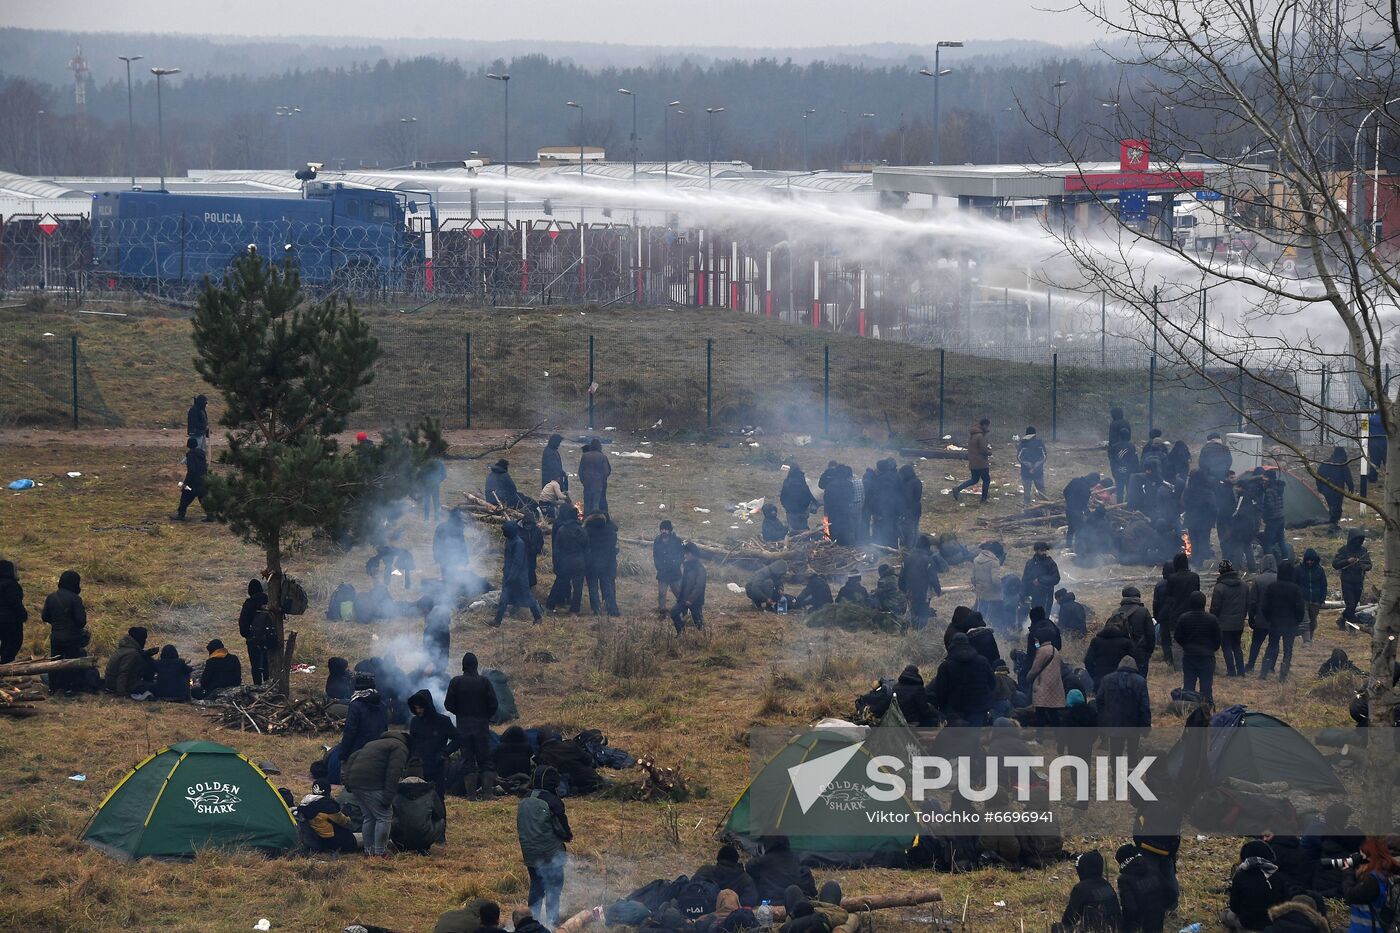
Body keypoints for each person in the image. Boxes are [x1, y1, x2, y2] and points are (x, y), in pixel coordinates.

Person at [518, 765, 573, 927]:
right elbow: (563, 830)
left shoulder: (525, 798)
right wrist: (568, 836)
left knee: (536, 885)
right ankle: (552, 922)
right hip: (550, 853)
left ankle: (531, 923)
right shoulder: (553, 801)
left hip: (529, 851)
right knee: (553, 887)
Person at [343, 730, 410, 856]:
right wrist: (388, 797)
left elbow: (353, 756)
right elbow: (393, 773)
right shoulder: (400, 747)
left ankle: (368, 851)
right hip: (372, 784)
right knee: (384, 816)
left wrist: (348, 782)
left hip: (356, 783)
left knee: (369, 817)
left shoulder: (374, 743)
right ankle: (380, 853)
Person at [444, 652, 498, 799]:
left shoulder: (456, 682)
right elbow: (494, 704)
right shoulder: (484, 682)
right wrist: (486, 716)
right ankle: (487, 794)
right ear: (476, 665)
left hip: (463, 727)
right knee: (485, 759)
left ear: (463, 665)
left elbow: (448, 704)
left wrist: (460, 713)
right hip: (481, 726)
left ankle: (471, 796)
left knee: (467, 760)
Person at [42, 569, 89, 694]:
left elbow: (44, 617)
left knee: (55, 662)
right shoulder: (75, 599)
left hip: (56, 635)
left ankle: (53, 687)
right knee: (70, 661)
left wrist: (57, 623)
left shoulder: (51, 597)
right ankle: (69, 688)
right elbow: (81, 621)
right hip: (72, 636)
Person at [1097, 656, 1150, 763]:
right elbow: (1144, 706)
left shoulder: (1107, 679)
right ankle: (1131, 775)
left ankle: (1116, 776)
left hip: (1114, 721)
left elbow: (1099, 700)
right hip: (1134, 723)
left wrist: (1104, 719)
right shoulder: (1140, 681)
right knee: (1132, 752)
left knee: (1115, 751)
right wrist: (1146, 726)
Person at [933, 632, 994, 726]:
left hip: (955, 711)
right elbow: (992, 683)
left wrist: (943, 710)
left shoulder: (945, 666)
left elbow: (940, 691)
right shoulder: (983, 661)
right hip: (978, 709)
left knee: (957, 739)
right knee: (975, 738)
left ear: (952, 645)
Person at [1259, 561, 1306, 682]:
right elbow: (1300, 608)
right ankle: (1283, 675)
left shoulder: (1272, 587)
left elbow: (1265, 606)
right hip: (1290, 623)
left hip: (1275, 622)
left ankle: (1264, 672)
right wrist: (1297, 620)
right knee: (1288, 649)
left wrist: (1269, 618)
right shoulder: (1295, 589)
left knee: (1272, 646)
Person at [1342, 836, 1398, 933]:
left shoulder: (1373, 880)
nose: (1359, 860)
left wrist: (1348, 872)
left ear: (1369, 857)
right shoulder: (1382, 875)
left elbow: (1351, 895)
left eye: (1361, 856)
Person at [1228, 840, 1287, 931]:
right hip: (1273, 924)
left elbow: (1235, 907)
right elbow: (1283, 902)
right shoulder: (1278, 876)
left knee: (1227, 915)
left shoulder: (1240, 876)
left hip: (1247, 924)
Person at [1056, 850, 1121, 933]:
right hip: (1115, 929)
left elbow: (1069, 919)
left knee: (1057, 928)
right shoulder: (1106, 884)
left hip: (1093, 930)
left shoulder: (1081, 888)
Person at [407, 688, 456, 798]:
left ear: (427, 706)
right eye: (416, 708)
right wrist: (412, 758)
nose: (418, 711)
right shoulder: (415, 722)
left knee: (437, 796)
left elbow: (458, 739)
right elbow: (412, 742)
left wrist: (444, 753)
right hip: (419, 766)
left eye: (421, 708)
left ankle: (439, 816)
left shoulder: (443, 721)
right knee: (419, 797)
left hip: (436, 765)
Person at [1173, 591, 1221, 702]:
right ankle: (1207, 708)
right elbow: (1218, 638)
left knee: (1189, 685)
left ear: (1190, 603)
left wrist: (1186, 645)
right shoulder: (1212, 619)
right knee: (1206, 686)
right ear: (1204, 603)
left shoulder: (1184, 618)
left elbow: (1177, 636)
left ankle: (1188, 706)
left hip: (1190, 656)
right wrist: (1211, 649)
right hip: (1207, 656)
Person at [494, 522, 544, 626]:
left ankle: (538, 618)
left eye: (505, 531)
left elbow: (517, 563)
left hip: (519, 577)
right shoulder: (510, 540)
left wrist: (511, 578)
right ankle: (497, 621)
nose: (503, 533)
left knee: (528, 598)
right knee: (504, 598)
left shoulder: (519, 543)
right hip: (510, 575)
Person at [1115, 844, 1169, 933]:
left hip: (1139, 923)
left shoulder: (1124, 879)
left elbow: (1130, 908)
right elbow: (1169, 891)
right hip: (1158, 918)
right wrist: (1161, 909)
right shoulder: (1153, 869)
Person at [747, 836, 816, 905]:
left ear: (765, 845)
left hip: (771, 904)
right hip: (794, 903)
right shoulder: (795, 859)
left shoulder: (761, 862)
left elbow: (748, 867)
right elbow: (812, 892)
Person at [1162, 552, 1200, 671]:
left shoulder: (1172, 578)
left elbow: (1169, 597)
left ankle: (1179, 668)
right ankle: (1192, 666)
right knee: (1192, 640)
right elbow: (1197, 593)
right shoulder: (1195, 577)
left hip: (1176, 613)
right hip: (1192, 612)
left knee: (1177, 642)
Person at [1210, 560, 1249, 677]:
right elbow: (1247, 604)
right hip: (1238, 623)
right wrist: (1243, 617)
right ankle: (1241, 671)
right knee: (1237, 646)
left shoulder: (1219, 587)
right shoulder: (1244, 585)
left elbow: (1215, 608)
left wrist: (1213, 621)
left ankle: (1231, 671)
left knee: (1226, 647)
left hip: (1224, 624)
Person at [339, 675, 389, 765]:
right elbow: (385, 728)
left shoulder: (356, 705)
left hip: (359, 750)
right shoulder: (382, 704)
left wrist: (343, 754)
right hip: (378, 749)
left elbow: (350, 731)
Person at [391, 774, 447, 854]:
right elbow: (440, 814)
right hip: (424, 838)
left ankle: (400, 845)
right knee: (441, 821)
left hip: (401, 837)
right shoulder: (431, 793)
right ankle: (425, 846)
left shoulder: (396, 793)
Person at [298, 781, 359, 853]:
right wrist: (347, 814)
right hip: (336, 843)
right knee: (367, 838)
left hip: (318, 841)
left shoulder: (304, 804)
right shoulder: (328, 806)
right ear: (328, 791)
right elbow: (346, 823)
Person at [899, 535, 945, 631]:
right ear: (927, 547)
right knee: (923, 613)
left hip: (910, 591)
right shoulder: (928, 561)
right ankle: (920, 632)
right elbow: (933, 578)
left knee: (912, 611)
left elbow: (901, 578)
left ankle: (911, 629)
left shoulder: (906, 559)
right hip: (923, 593)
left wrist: (903, 589)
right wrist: (938, 590)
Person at [548, 508, 588, 614]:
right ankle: (575, 610)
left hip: (565, 561)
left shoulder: (562, 530)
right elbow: (586, 548)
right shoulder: (582, 530)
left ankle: (549, 605)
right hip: (579, 561)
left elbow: (557, 549)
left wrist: (556, 563)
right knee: (578, 587)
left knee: (559, 582)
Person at [692, 844, 759, 907]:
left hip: (702, 912)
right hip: (732, 916)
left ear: (718, 858)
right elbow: (749, 902)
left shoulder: (704, 870)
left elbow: (691, 889)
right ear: (736, 860)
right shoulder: (745, 879)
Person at [1110, 586, 1155, 679]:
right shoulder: (1143, 611)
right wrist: (1149, 651)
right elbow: (1150, 633)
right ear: (1138, 597)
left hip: (1120, 651)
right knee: (1140, 678)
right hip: (1139, 651)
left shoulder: (1115, 612)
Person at [1245, 555, 1280, 674]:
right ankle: (1269, 666)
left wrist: (1251, 617)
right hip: (1276, 619)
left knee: (1256, 643)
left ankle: (1250, 665)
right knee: (1274, 643)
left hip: (1261, 618)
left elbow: (1252, 601)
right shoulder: (1280, 579)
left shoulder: (1258, 580)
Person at [583, 512, 621, 617]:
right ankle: (612, 609)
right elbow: (613, 547)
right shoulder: (611, 530)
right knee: (608, 586)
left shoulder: (587, 530)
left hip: (591, 563)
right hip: (608, 563)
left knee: (593, 587)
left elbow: (585, 547)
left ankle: (596, 609)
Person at [1332, 531, 1372, 626]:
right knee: (1351, 604)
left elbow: (1369, 565)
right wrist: (1347, 561)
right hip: (1347, 581)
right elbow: (1335, 564)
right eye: (1356, 540)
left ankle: (1342, 620)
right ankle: (1352, 624)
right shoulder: (1343, 550)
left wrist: (1364, 567)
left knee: (1354, 604)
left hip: (1359, 581)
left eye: (1359, 540)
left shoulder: (1363, 550)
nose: (1358, 542)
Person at [1084, 618, 1134, 691]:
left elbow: (1088, 661)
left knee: (1101, 701)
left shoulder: (1096, 641)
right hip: (1121, 682)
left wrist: (1095, 675)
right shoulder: (1127, 643)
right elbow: (1134, 663)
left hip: (1100, 680)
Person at [172, 436, 215, 522]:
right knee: (203, 498)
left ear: (188, 445)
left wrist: (186, 483)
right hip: (203, 479)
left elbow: (191, 471)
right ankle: (210, 516)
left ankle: (181, 515)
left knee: (185, 497)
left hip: (193, 482)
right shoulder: (201, 454)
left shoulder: (191, 455)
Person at [104, 626, 156, 698]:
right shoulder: (132, 654)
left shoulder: (126, 647)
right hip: (117, 685)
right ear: (139, 639)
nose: (144, 642)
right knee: (156, 687)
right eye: (144, 639)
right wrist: (121, 693)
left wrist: (146, 654)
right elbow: (123, 672)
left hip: (112, 682)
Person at [1028, 633, 1065, 730]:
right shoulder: (1055, 650)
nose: (1036, 642)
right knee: (1053, 712)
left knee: (1040, 712)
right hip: (1054, 685)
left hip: (1042, 685)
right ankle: (1058, 735)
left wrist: (1029, 677)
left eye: (1037, 640)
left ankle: (1039, 737)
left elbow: (1035, 668)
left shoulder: (1042, 650)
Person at [1182, 469, 1219, 568]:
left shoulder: (1188, 490)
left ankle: (1195, 561)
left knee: (1194, 541)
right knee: (1203, 541)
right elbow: (1213, 508)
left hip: (1191, 520)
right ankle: (1200, 562)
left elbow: (1183, 503)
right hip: (1204, 522)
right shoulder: (1207, 492)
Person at [951, 419, 992, 503]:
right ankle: (983, 499)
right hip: (981, 462)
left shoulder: (973, 435)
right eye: (987, 426)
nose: (987, 427)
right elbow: (983, 449)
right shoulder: (980, 436)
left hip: (973, 462)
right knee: (986, 480)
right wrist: (989, 453)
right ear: (984, 425)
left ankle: (957, 489)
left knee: (974, 479)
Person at [1316, 446, 1354, 530]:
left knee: (1332, 506)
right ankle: (1334, 523)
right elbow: (1348, 477)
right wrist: (1351, 487)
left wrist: (1320, 488)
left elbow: (1318, 476)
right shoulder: (1342, 464)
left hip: (1326, 489)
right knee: (1337, 507)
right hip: (1338, 490)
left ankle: (1332, 521)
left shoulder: (1325, 463)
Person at [672, 542, 707, 633]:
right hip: (683, 598)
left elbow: (699, 586)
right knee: (674, 613)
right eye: (685, 553)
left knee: (698, 622)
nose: (685, 555)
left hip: (695, 601)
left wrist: (690, 600)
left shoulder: (700, 569)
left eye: (687, 553)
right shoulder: (687, 565)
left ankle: (703, 638)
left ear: (694, 555)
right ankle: (681, 632)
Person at [1227, 480, 1261, 572]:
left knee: (1238, 548)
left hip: (1242, 528)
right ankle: (1252, 568)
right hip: (1250, 527)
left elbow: (1237, 512)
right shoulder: (1251, 496)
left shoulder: (1243, 497)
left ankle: (1235, 569)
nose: (1235, 489)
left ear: (1241, 487)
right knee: (1248, 547)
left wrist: (1231, 520)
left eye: (1237, 487)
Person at [868, 459, 903, 547]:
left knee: (881, 528)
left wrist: (874, 509)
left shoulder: (879, 479)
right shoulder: (897, 476)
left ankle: (881, 546)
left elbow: (876, 496)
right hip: (895, 507)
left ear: (879, 469)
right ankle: (893, 546)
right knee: (893, 527)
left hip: (882, 509)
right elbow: (900, 492)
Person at [1062, 472, 1101, 549]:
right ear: (1091, 480)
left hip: (1068, 509)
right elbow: (1084, 505)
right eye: (1094, 483)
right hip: (1076, 512)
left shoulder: (1075, 480)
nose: (1093, 486)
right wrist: (1090, 515)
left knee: (1071, 529)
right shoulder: (1086, 489)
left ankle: (1068, 546)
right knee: (1079, 531)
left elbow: (1065, 491)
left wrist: (1068, 501)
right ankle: (1079, 549)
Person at [653, 520, 685, 614]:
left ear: (670, 530)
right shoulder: (657, 540)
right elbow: (655, 555)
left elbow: (682, 554)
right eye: (662, 529)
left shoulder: (677, 540)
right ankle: (662, 611)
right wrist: (658, 566)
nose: (664, 531)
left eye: (666, 529)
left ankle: (684, 609)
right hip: (662, 572)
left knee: (678, 593)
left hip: (674, 572)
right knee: (661, 593)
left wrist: (676, 564)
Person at [971, 541, 1006, 626]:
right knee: (997, 613)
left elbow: (973, 578)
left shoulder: (976, 559)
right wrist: (1001, 588)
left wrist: (978, 587)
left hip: (981, 592)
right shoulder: (994, 561)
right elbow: (995, 580)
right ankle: (998, 629)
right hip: (993, 593)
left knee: (982, 611)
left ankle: (979, 626)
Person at [0, 560, 28, 664]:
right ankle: (5, 665)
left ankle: (4, 662)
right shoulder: (11, 585)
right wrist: (23, 615)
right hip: (11, 620)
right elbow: (15, 603)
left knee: (5, 642)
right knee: (14, 642)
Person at [1022, 541, 1061, 616]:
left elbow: (1056, 578)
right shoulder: (1030, 563)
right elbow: (1025, 579)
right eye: (1042, 550)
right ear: (1036, 550)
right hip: (1033, 595)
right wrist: (1023, 594)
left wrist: (1040, 580)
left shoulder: (1050, 563)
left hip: (1046, 595)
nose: (1044, 552)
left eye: (1045, 550)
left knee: (1044, 617)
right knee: (1034, 616)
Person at [1297, 548, 1327, 644]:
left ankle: (1310, 637)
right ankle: (1307, 641)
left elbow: (1324, 585)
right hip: (1302, 599)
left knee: (1312, 621)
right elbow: (1294, 584)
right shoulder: (1298, 569)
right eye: (1307, 560)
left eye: (1311, 560)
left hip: (1315, 600)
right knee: (1304, 620)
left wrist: (1321, 599)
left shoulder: (1320, 570)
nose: (1309, 562)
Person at [433, 509, 471, 580]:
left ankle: (448, 589)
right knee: (453, 579)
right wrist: (465, 560)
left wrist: (436, 557)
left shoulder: (441, 526)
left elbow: (435, 544)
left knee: (447, 578)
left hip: (445, 558)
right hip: (453, 559)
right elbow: (462, 546)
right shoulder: (457, 529)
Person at [578, 438, 611, 516]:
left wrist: (584, 481)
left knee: (587, 505)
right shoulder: (603, 457)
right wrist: (602, 481)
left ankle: (586, 523)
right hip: (598, 485)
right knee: (596, 505)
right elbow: (607, 471)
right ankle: (595, 521)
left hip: (587, 484)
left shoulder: (585, 456)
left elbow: (580, 471)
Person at [780, 464, 818, 532]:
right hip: (802, 510)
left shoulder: (787, 481)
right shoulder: (802, 480)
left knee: (793, 530)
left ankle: (794, 540)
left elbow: (783, 496)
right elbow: (808, 494)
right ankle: (804, 540)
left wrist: (786, 506)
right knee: (803, 529)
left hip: (791, 510)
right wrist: (808, 505)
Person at [1017, 427, 1048, 506]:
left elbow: (1019, 457)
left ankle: (1027, 505)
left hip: (1026, 471)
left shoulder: (1022, 444)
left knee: (1028, 490)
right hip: (1037, 471)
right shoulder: (1039, 443)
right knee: (1040, 489)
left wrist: (1030, 466)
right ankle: (1044, 504)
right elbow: (1044, 456)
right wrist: (1036, 465)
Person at [898, 463, 924, 548]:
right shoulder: (917, 481)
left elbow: (907, 499)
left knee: (909, 529)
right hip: (917, 507)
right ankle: (915, 544)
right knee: (915, 527)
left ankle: (909, 547)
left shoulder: (909, 484)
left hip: (910, 509)